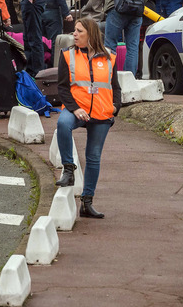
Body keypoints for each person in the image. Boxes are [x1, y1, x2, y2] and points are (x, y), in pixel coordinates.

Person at [55, 17, 122, 219]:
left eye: (79, 31)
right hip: (78, 109)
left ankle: (87, 203)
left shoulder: (109, 56)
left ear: (90, 34)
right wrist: (75, 109)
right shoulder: (67, 55)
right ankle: (69, 169)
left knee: (93, 158)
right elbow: (62, 88)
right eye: (74, 31)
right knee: (62, 124)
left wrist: (115, 108)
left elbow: (115, 87)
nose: (74, 34)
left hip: (102, 113)